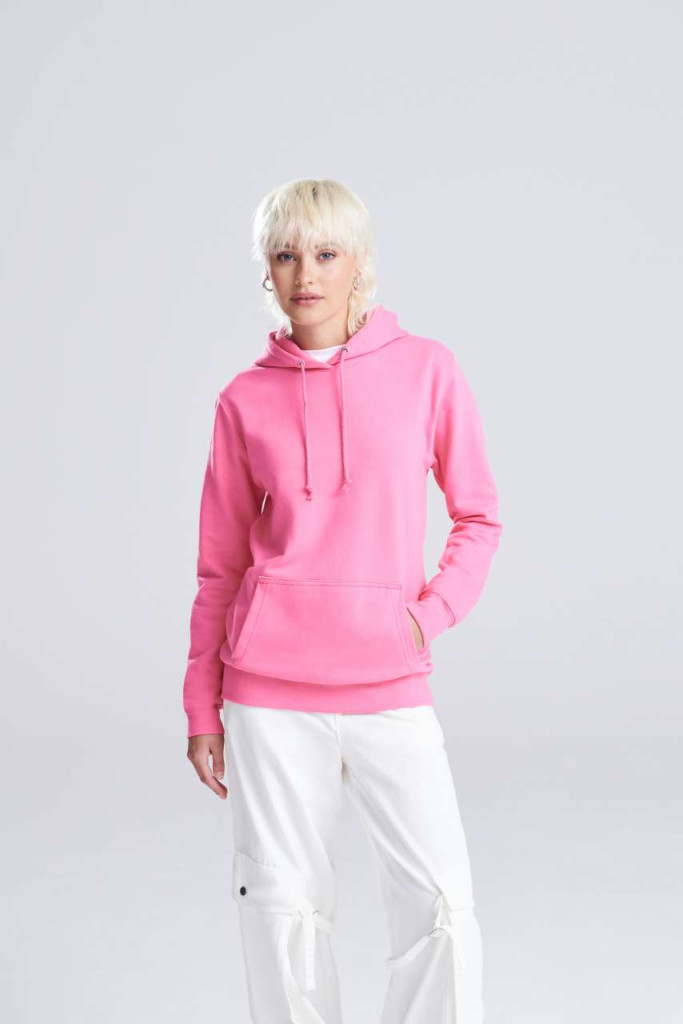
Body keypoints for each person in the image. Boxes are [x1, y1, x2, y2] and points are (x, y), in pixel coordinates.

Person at [183, 177, 503, 1023]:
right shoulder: (242, 400)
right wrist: (201, 706)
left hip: (387, 679)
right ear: (266, 268)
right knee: (280, 908)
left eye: (325, 253)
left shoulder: (426, 370)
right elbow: (218, 568)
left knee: (439, 908)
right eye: (286, 254)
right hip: (267, 695)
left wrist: (424, 618)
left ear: (359, 262)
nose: (306, 274)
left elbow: (478, 516)